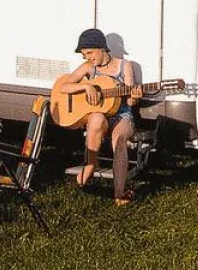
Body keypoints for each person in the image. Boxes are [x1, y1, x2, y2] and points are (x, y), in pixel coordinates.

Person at [53, 28, 143, 206]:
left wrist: (134, 97)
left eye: (90, 53)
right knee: (95, 117)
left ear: (101, 48)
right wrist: (86, 87)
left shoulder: (124, 66)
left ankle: (119, 194)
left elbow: (131, 103)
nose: (87, 58)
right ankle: (91, 164)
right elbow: (63, 87)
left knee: (119, 141)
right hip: (99, 116)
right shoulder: (88, 67)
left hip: (121, 114)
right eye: (85, 54)